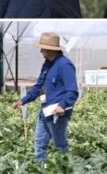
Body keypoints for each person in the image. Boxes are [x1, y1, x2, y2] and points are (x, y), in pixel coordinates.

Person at [12, 32, 78, 160]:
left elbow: (72, 91)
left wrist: (62, 105)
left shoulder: (65, 65)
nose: (41, 51)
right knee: (39, 145)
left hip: (57, 115)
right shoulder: (47, 64)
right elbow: (39, 87)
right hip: (44, 112)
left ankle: (64, 173)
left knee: (59, 146)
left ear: (50, 50)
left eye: (42, 48)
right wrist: (23, 100)